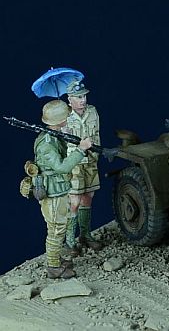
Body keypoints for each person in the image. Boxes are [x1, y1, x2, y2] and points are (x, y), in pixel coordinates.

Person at [35, 100, 92, 279]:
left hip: (59, 188)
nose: (68, 118)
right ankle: (53, 266)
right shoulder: (46, 143)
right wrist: (81, 150)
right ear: (60, 120)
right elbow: (61, 167)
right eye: (66, 116)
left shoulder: (54, 136)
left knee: (60, 225)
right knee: (56, 229)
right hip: (52, 192)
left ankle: (56, 259)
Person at [63, 80, 103, 254]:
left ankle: (85, 235)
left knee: (88, 198)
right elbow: (61, 146)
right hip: (75, 164)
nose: (83, 100)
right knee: (74, 202)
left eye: (84, 96)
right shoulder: (64, 117)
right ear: (69, 99)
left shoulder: (92, 111)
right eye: (78, 97)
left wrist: (96, 154)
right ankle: (69, 240)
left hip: (91, 161)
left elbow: (97, 135)